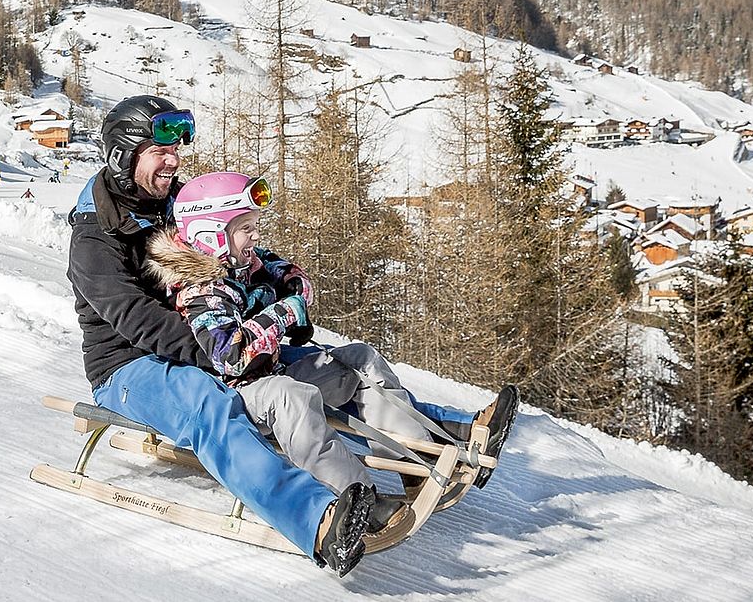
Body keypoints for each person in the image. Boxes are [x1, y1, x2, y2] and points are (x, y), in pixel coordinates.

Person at [66, 95, 377, 576]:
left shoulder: (175, 202)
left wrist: (276, 283)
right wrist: (223, 353)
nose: (174, 161)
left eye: (177, 150)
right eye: (159, 151)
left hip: (209, 339)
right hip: (127, 366)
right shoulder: (95, 236)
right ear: (123, 156)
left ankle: (439, 432)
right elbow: (137, 319)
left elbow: (233, 247)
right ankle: (316, 520)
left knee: (318, 363)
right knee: (206, 402)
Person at [147, 171, 517, 519]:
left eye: (255, 227)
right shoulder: (200, 288)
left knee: (359, 361)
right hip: (234, 393)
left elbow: (290, 274)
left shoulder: (239, 260)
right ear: (211, 234)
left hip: (270, 371)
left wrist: (293, 286)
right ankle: (356, 500)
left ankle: (417, 460)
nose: (255, 237)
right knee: (293, 396)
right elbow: (230, 356)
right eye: (246, 229)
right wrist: (283, 314)